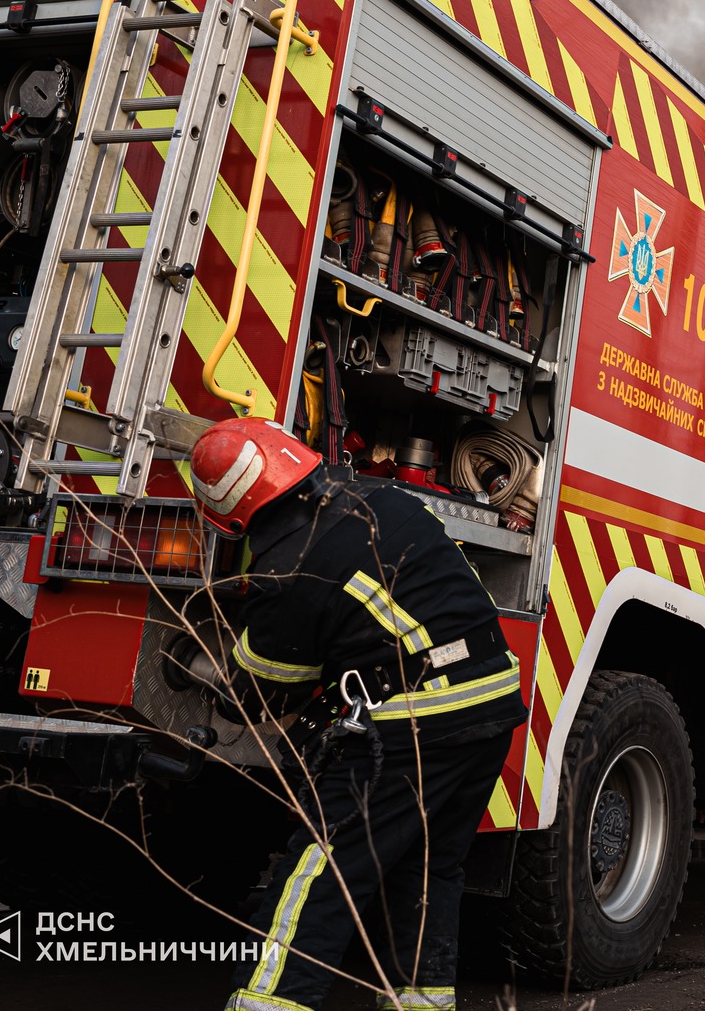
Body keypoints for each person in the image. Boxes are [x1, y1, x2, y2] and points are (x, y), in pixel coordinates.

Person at [190, 417, 527, 1011]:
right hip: (493, 701)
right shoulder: (385, 499)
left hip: (418, 721)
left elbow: (268, 688)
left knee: (324, 869)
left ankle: (274, 1002)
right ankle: (421, 1003)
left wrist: (215, 668)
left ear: (233, 515)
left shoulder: (289, 567)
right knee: (429, 868)